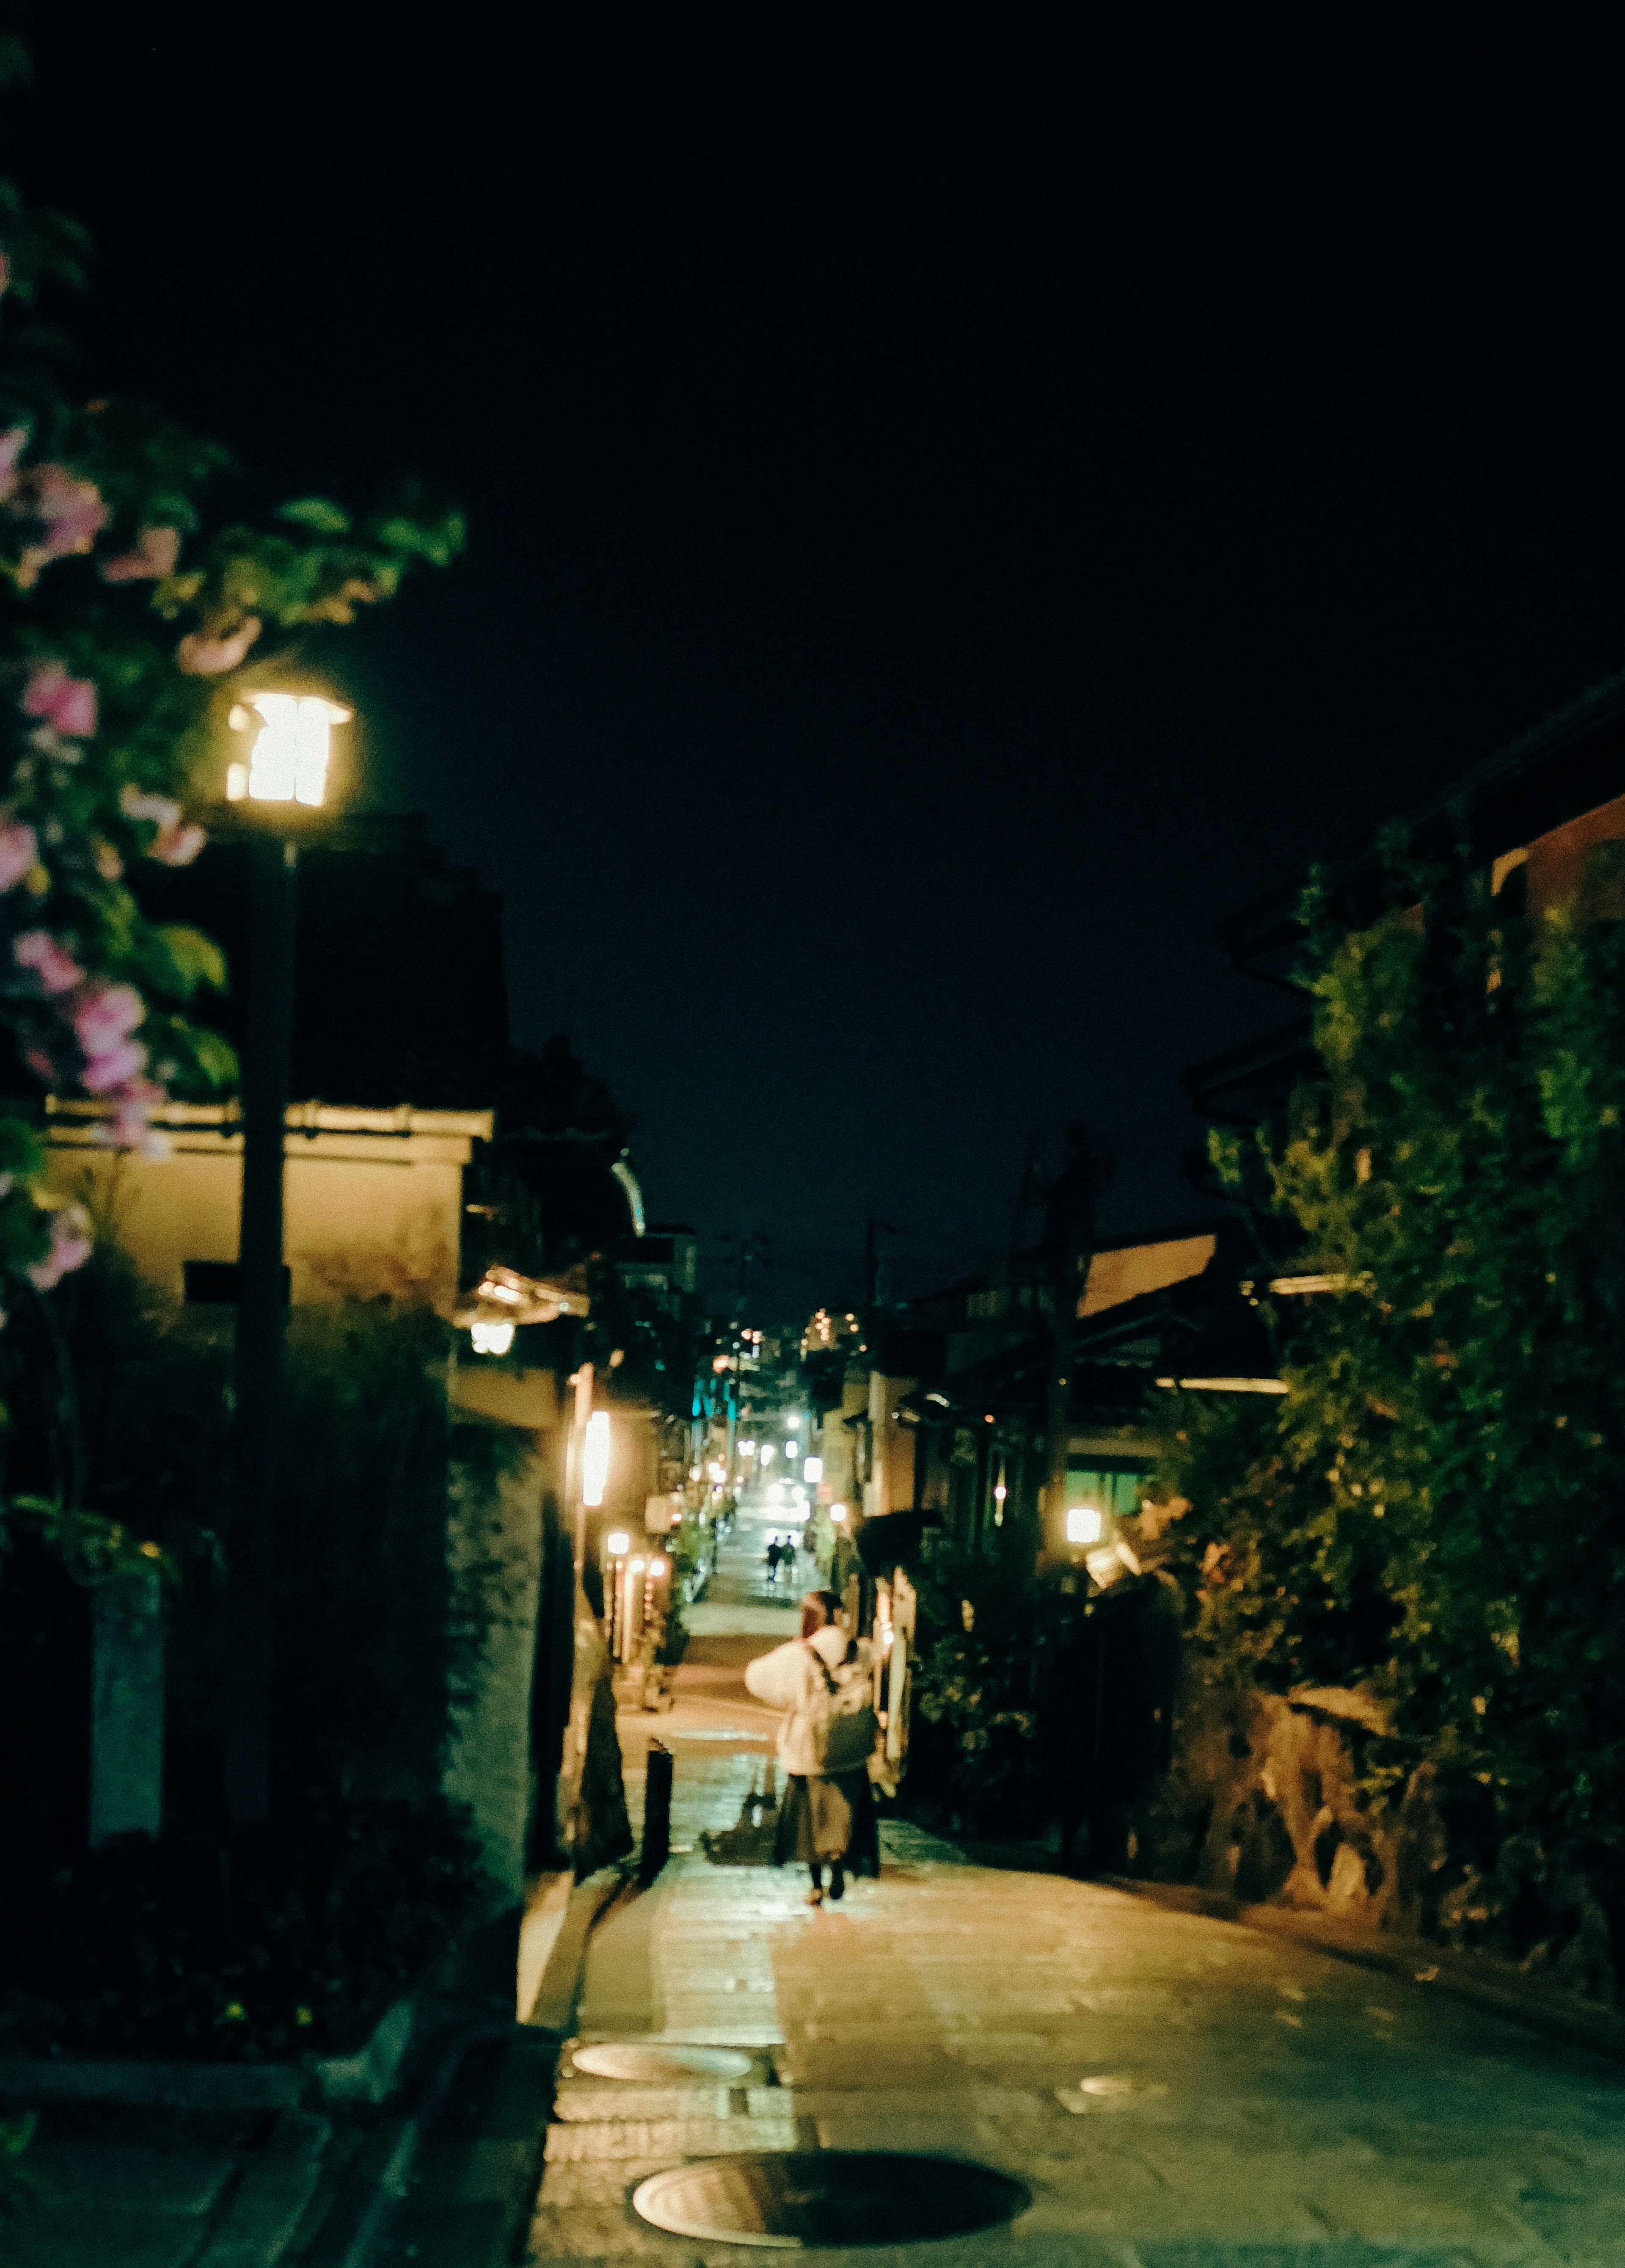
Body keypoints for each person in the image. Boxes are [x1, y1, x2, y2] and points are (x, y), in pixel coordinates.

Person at [743, 1589, 879, 1904]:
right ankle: (840, 1875)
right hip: (851, 1755)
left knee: (809, 1824)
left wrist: (791, 1700)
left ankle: (816, 1886)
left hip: (810, 1754)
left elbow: (755, 1677)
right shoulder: (861, 1650)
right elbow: (876, 1659)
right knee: (842, 1819)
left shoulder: (798, 1654)